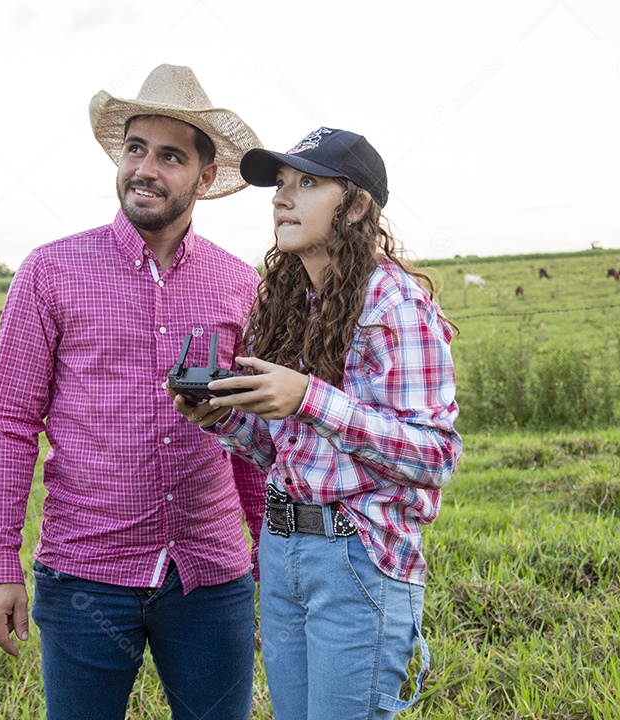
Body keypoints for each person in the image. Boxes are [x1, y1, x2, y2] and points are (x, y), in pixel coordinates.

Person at [0, 64, 266, 720]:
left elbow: (252, 436)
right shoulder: (51, 271)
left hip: (211, 574)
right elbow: (8, 422)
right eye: (135, 149)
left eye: (170, 156)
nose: (145, 170)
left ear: (205, 177)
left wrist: (268, 555)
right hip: (85, 574)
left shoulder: (238, 284)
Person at [171, 127, 462, 719]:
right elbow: (286, 452)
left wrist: (308, 397)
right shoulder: (290, 303)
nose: (282, 197)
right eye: (281, 183)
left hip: (357, 557)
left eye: (307, 183)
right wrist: (224, 419)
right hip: (281, 549)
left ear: (355, 206)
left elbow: (435, 456)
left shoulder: (394, 304)